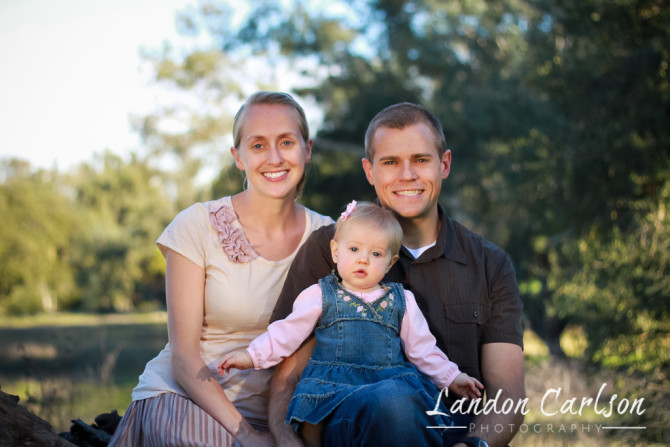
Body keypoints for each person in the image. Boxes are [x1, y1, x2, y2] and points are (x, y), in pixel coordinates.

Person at [268, 103, 525, 447]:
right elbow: (286, 377)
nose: (407, 175)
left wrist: (471, 446)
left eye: (420, 160)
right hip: (352, 428)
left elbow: (507, 394)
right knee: (393, 400)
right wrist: (286, 442)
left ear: (444, 164)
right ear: (370, 171)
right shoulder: (331, 248)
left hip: (458, 438)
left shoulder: (490, 264)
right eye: (390, 162)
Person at [107, 91, 333, 447]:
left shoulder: (331, 238)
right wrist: (246, 436)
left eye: (286, 142)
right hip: (181, 401)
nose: (274, 157)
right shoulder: (196, 225)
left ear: (307, 149)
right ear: (238, 157)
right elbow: (183, 356)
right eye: (257, 145)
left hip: (278, 417)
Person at [219, 201, 484, 446]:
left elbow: (423, 350)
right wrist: (250, 355)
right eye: (354, 249)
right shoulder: (320, 294)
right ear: (336, 250)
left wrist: (452, 377)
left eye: (376, 253)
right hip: (334, 386)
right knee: (315, 421)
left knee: (402, 404)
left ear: (390, 262)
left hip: (388, 378)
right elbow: (286, 333)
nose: (363, 259)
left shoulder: (402, 300)